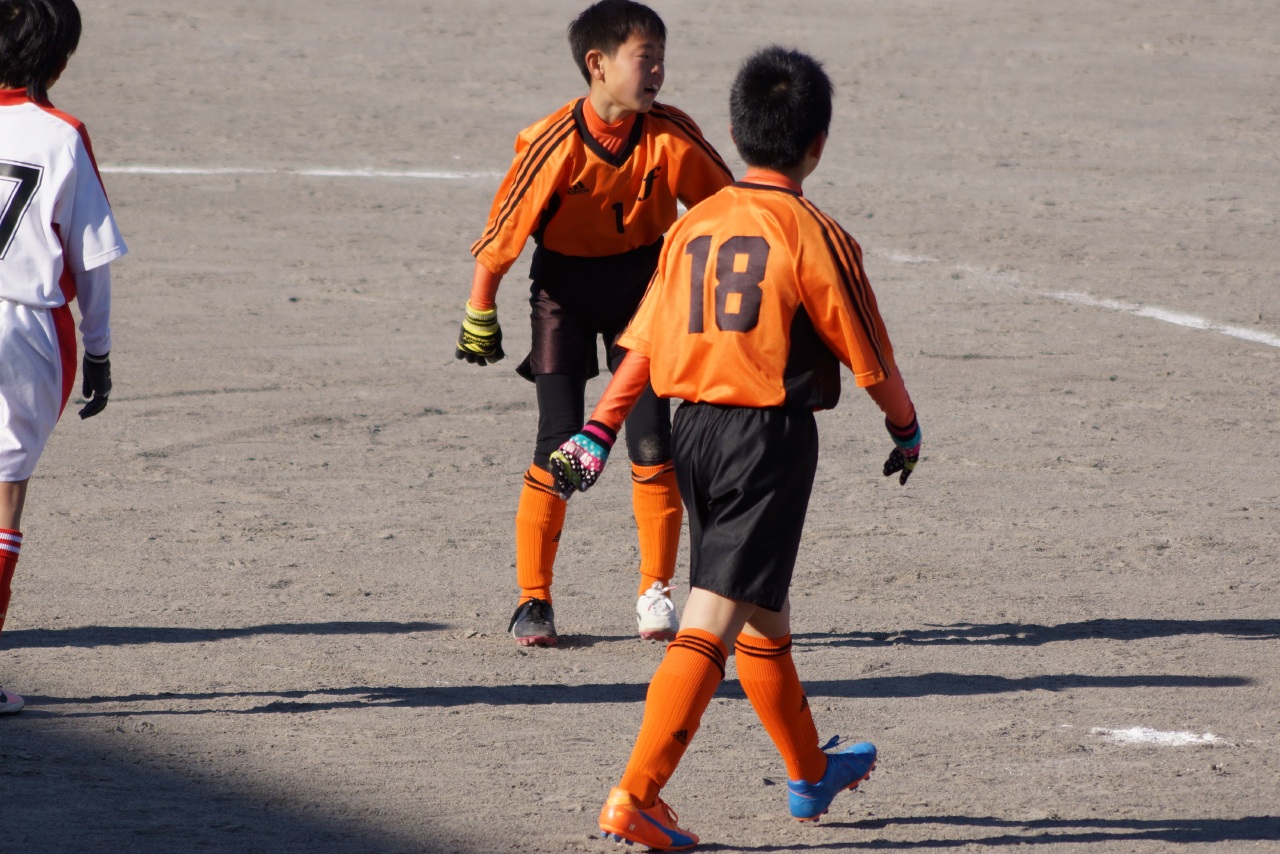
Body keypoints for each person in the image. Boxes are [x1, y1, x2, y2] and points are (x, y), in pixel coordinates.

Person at [550, 45, 924, 849]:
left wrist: (598, 429)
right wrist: (906, 428)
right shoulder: (816, 232)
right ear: (818, 143)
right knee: (713, 619)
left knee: (762, 614)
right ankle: (636, 794)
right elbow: (870, 355)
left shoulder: (695, 224)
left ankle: (810, 772)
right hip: (767, 441)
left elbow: (643, 344)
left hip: (693, 434)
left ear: (734, 132)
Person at [455, 0, 734, 647]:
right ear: (598, 64)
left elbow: (728, 210)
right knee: (558, 443)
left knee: (653, 442)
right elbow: (503, 233)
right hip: (565, 295)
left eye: (662, 59)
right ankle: (533, 600)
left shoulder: (671, 135)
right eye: (645, 59)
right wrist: (479, 311)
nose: (657, 71)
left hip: (647, 292)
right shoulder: (554, 143)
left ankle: (655, 592)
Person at [0, 0, 126, 715]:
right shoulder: (61, 134)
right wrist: (99, 352)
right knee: (4, 496)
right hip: (23, 329)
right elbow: (91, 263)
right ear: (59, 59)